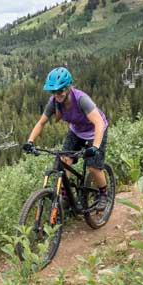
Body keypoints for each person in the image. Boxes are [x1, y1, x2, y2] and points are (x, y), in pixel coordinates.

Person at [23, 66, 109, 210]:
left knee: (93, 167)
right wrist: (30, 141)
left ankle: (104, 195)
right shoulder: (54, 102)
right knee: (63, 162)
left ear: (68, 87)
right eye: (54, 92)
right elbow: (41, 122)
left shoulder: (81, 99)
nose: (57, 94)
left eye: (61, 90)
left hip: (95, 131)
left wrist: (95, 147)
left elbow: (99, 123)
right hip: (76, 132)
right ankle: (66, 197)